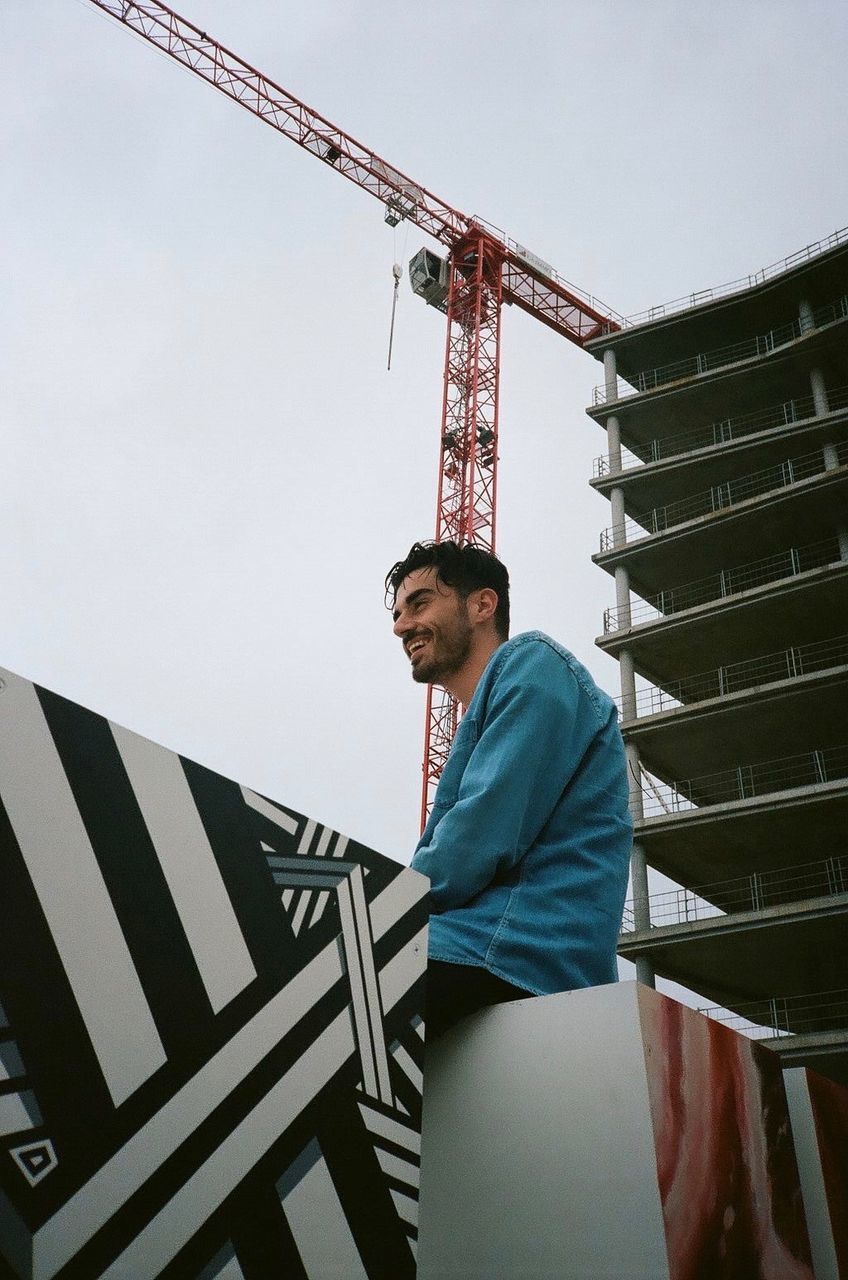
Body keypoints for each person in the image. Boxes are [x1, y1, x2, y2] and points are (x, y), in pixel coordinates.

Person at [385, 540, 632, 1039]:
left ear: (482, 604)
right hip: (490, 949)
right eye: (396, 614)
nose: (400, 626)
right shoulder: (484, 714)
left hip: (510, 950)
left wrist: (386, 909)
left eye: (420, 603)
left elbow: (479, 835)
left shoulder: (532, 665)